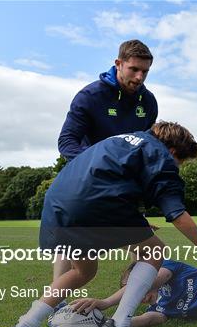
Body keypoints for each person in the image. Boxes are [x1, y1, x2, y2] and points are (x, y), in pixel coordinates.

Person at [0, 122, 197, 327]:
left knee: (83, 271)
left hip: (58, 205)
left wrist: (133, 222)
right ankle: (121, 325)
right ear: (173, 151)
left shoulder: (120, 139)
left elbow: (110, 179)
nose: (178, 167)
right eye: (181, 162)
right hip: (97, 206)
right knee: (155, 251)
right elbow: (177, 214)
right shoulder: (161, 157)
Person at [54, 39, 158, 301]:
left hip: (127, 185)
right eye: (134, 69)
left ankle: (135, 299)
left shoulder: (148, 101)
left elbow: (145, 145)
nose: (139, 77)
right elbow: (66, 141)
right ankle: (57, 303)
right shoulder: (90, 97)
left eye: (145, 71)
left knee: (143, 240)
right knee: (72, 245)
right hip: (87, 183)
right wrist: (96, 166)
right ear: (118, 64)